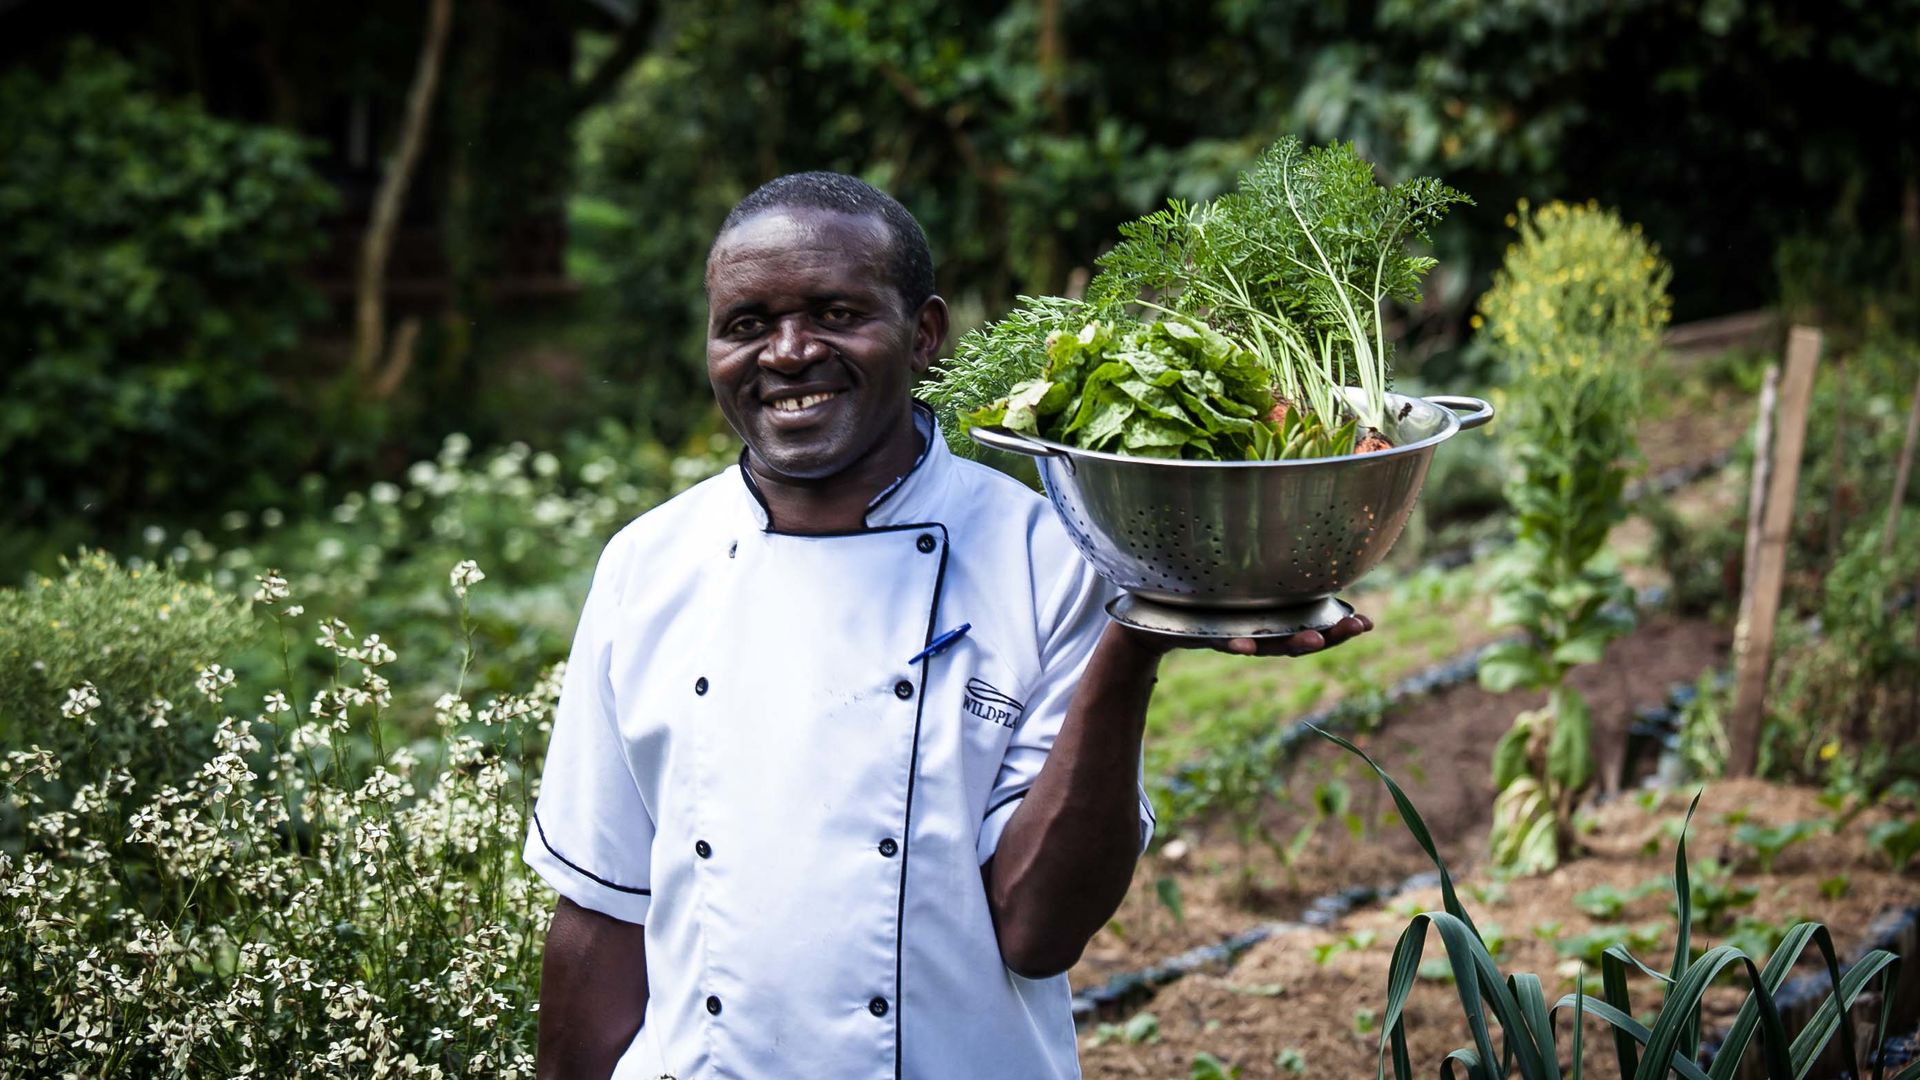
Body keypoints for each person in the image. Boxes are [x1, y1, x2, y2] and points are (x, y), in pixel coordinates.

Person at [524, 172, 1371, 1080]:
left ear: (924, 334)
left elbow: (1039, 929)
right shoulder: (648, 566)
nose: (789, 351)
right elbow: (601, 912)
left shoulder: (1047, 553)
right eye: (747, 324)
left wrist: (1138, 638)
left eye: (836, 313)